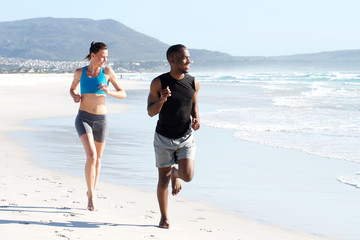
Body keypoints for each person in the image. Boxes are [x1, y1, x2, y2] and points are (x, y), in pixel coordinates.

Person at [147, 44, 200, 228]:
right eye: (185, 58)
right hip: (163, 138)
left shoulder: (193, 82)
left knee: (188, 175)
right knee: (163, 178)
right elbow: (150, 112)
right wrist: (161, 99)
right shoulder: (159, 83)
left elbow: (193, 103)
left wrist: (196, 118)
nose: (189, 61)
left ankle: (176, 174)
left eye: (189, 57)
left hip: (185, 137)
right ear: (172, 60)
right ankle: (164, 217)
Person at [69, 42, 126, 211]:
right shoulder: (80, 72)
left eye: (106, 57)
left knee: (98, 159)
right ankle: (91, 195)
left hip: (101, 120)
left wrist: (109, 92)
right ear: (92, 55)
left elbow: (123, 93)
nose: (104, 60)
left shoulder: (107, 72)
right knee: (92, 156)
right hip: (83, 118)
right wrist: (75, 95)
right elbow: (72, 89)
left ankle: (91, 190)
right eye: (102, 57)